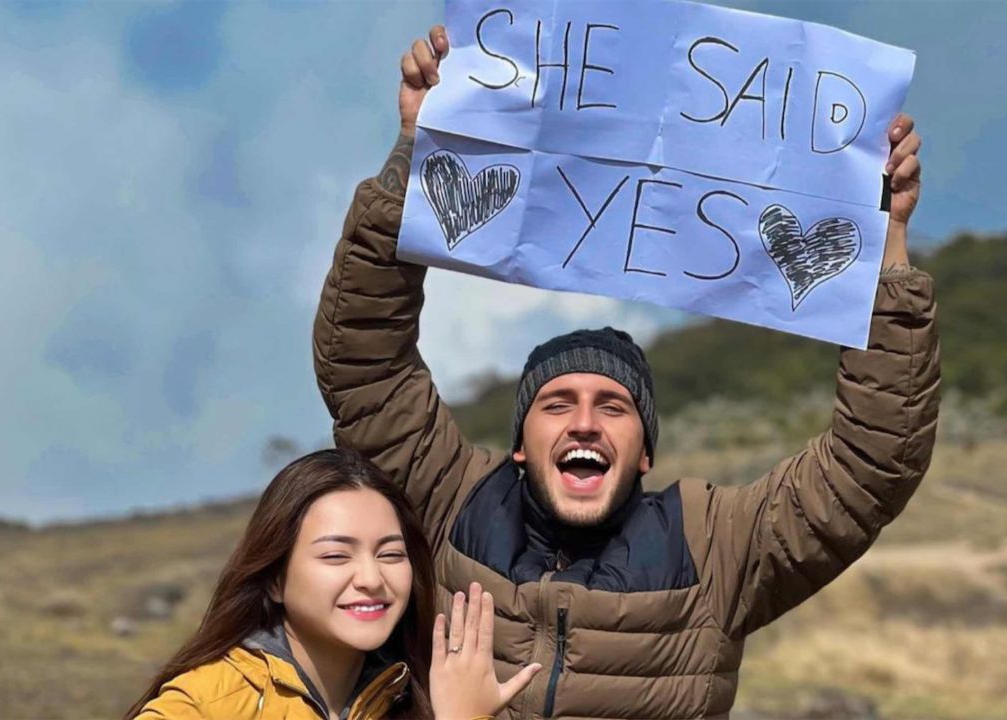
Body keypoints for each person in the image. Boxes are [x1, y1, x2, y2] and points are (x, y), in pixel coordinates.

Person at [313, 26, 939, 720]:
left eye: (614, 406)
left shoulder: (719, 545)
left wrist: (883, 255)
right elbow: (363, 363)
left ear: (646, 451)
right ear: (519, 442)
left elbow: (872, 460)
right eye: (556, 403)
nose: (585, 421)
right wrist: (420, 154)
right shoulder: (451, 503)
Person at [127, 448, 540, 720]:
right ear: (273, 578)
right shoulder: (204, 705)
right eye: (336, 555)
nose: (371, 579)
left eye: (391, 554)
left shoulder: (417, 699)